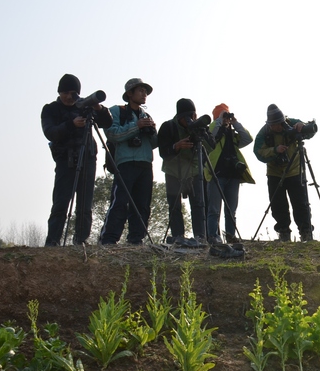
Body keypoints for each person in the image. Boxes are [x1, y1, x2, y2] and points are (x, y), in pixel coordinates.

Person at [42, 73, 112, 246]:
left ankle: (80, 240)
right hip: (65, 160)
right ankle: (53, 242)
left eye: (72, 93)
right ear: (59, 92)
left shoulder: (83, 107)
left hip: (87, 158)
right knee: (61, 203)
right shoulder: (51, 109)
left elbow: (107, 122)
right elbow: (50, 132)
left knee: (85, 204)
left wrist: (98, 108)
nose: (68, 97)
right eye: (65, 93)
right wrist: (71, 124)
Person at [99, 78, 157, 246]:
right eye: (140, 90)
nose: (144, 94)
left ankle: (136, 239)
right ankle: (109, 239)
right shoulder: (117, 111)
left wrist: (152, 130)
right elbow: (112, 134)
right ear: (129, 94)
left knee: (143, 205)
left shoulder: (146, 116)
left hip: (145, 163)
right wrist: (136, 126)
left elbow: (154, 144)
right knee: (120, 202)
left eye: (145, 91)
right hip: (125, 163)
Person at [253, 104, 316, 242]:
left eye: (279, 123)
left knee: (301, 203)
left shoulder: (291, 124)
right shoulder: (264, 132)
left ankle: (306, 232)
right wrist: (275, 150)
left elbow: (311, 131)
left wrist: (302, 125)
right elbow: (258, 152)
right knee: (278, 205)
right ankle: (283, 232)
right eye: (274, 125)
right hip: (275, 172)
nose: (277, 127)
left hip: (295, 170)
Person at [158, 99, 212, 245]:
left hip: (194, 170)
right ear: (179, 116)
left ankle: (201, 236)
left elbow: (211, 146)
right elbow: (163, 152)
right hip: (173, 171)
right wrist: (176, 146)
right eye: (186, 116)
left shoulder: (199, 128)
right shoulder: (168, 127)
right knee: (174, 206)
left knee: (199, 204)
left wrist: (202, 132)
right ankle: (178, 236)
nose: (189, 119)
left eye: (192, 115)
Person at [205, 103, 255, 243]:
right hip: (216, 174)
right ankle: (213, 237)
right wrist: (219, 121)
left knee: (231, 210)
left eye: (227, 115)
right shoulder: (212, 133)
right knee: (214, 210)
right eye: (224, 115)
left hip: (233, 176)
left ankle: (230, 237)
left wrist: (235, 123)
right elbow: (210, 136)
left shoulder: (233, 135)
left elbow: (248, 139)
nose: (226, 118)